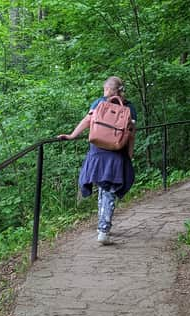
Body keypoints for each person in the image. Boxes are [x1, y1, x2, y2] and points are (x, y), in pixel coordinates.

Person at [57, 76, 137, 245]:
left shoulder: (99, 103)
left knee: (104, 187)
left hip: (98, 152)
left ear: (108, 89)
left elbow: (87, 121)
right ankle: (103, 229)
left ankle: (103, 227)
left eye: (105, 89)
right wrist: (129, 155)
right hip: (117, 152)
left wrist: (72, 136)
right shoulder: (129, 107)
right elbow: (131, 134)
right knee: (108, 189)